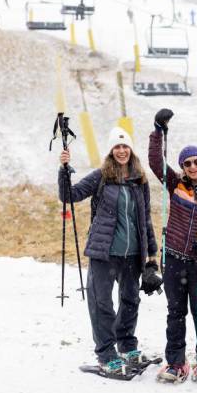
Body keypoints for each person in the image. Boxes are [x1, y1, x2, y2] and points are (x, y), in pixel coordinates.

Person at [58, 126, 162, 377]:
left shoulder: (140, 179)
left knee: (130, 301)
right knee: (101, 303)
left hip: (132, 253)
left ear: (131, 150)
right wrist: (63, 171)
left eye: (125, 146)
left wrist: (151, 255)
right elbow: (69, 195)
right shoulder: (101, 176)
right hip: (104, 253)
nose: (122, 150)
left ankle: (127, 346)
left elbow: (144, 217)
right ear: (111, 150)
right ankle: (106, 353)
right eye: (117, 146)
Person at [149, 109, 197, 384]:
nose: (193, 167)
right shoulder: (175, 185)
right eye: (187, 164)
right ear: (182, 167)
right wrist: (158, 131)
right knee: (175, 311)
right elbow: (155, 162)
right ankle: (176, 363)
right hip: (174, 258)